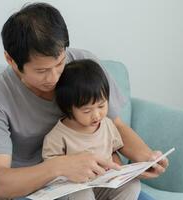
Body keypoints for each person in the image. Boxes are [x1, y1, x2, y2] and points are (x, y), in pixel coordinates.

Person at [0, 2, 169, 200]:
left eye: (59, 63)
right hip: (38, 191)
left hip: (98, 181)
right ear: (10, 60)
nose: (53, 77)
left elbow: (115, 126)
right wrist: (60, 166)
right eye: (41, 71)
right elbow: (0, 185)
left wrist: (146, 158)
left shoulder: (83, 64)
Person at [42, 59, 141, 200]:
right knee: (82, 195)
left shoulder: (107, 125)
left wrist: (117, 172)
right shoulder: (58, 136)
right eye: (87, 110)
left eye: (101, 106)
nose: (96, 115)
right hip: (73, 189)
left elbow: (113, 152)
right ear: (69, 108)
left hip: (102, 184)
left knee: (132, 185)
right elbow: (50, 170)